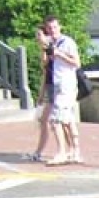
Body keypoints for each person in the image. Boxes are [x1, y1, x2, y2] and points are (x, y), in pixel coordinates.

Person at [44, 16, 83, 166]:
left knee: (55, 119)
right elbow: (46, 64)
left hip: (66, 85)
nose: (52, 31)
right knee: (67, 120)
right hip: (57, 84)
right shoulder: (51, 43)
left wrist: (60, 54)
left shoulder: (67, 43)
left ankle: (61, 152)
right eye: (49, 28)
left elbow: (76, 63)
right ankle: (75, 151)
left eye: (54, 27)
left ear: (59, 27)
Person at [26, 23, 55, 162]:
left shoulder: (52, 48)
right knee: (45, 121)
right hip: (50, 87)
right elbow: (45, 74)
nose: (37, 38)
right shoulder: (44, 49)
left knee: (57, 121)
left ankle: (71, 150)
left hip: (58, 87)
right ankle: (39, 151)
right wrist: (41, 94)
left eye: (39, 34)